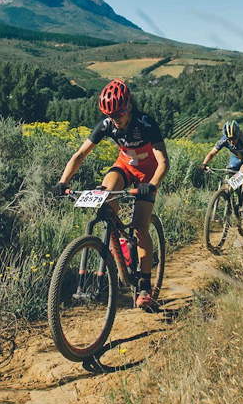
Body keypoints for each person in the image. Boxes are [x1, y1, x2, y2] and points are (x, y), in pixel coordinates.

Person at [54, 79, 169, 308]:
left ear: (129, 107)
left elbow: (163, 161)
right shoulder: (107, 124)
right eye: (110, 114)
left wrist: (153, 184)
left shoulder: (145, 123)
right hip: (125, 165)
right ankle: (120, 241)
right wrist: (62, 181)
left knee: (140, 225)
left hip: (149, 171)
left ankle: (145, 285)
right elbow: (80, 154)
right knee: (105, 195)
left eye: (119, 113)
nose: (115, 119)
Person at [199, 120, 243, 192]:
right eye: (229, 139)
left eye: (234, 138)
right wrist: (204, 163)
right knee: (228, 173)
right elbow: (212, 153)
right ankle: (228, 194)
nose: (232, 142)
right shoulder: (223, 140)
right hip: (236, 158)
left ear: (238, 135)